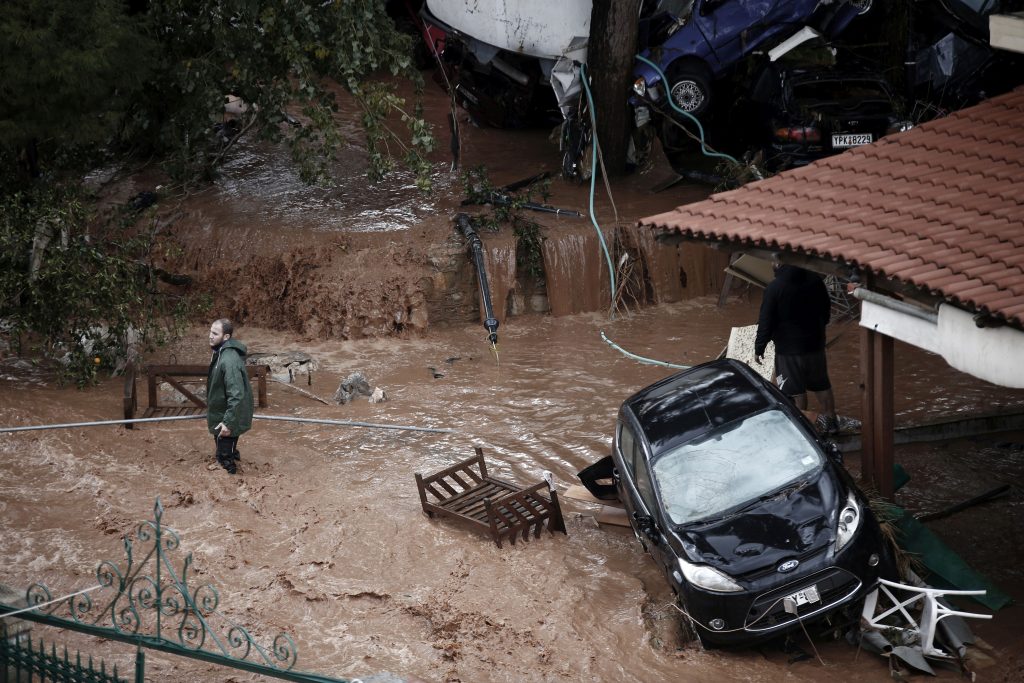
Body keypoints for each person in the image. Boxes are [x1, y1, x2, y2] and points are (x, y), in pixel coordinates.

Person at [754, 263, 838, 435]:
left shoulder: (774, 288)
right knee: (821, 384)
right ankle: (831, 421)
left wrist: (759, 347)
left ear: (778, 264)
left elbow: (766, 321)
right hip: (815, 345)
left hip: (788, 350)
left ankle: (801, 429)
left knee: (794, 390)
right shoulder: (815, 280)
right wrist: (819, 329)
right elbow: (826, 308)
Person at [207, 318, 254, 474]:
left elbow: (237, 395)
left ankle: (234, 487)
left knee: (225, 462)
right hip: (222, 414)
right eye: (210, 332)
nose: (210, 336)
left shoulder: (228, 360)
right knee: (225, 453)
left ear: (226, 337)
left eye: (215, 333)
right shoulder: (221, 353)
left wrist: (227, 423)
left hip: (227, 419)